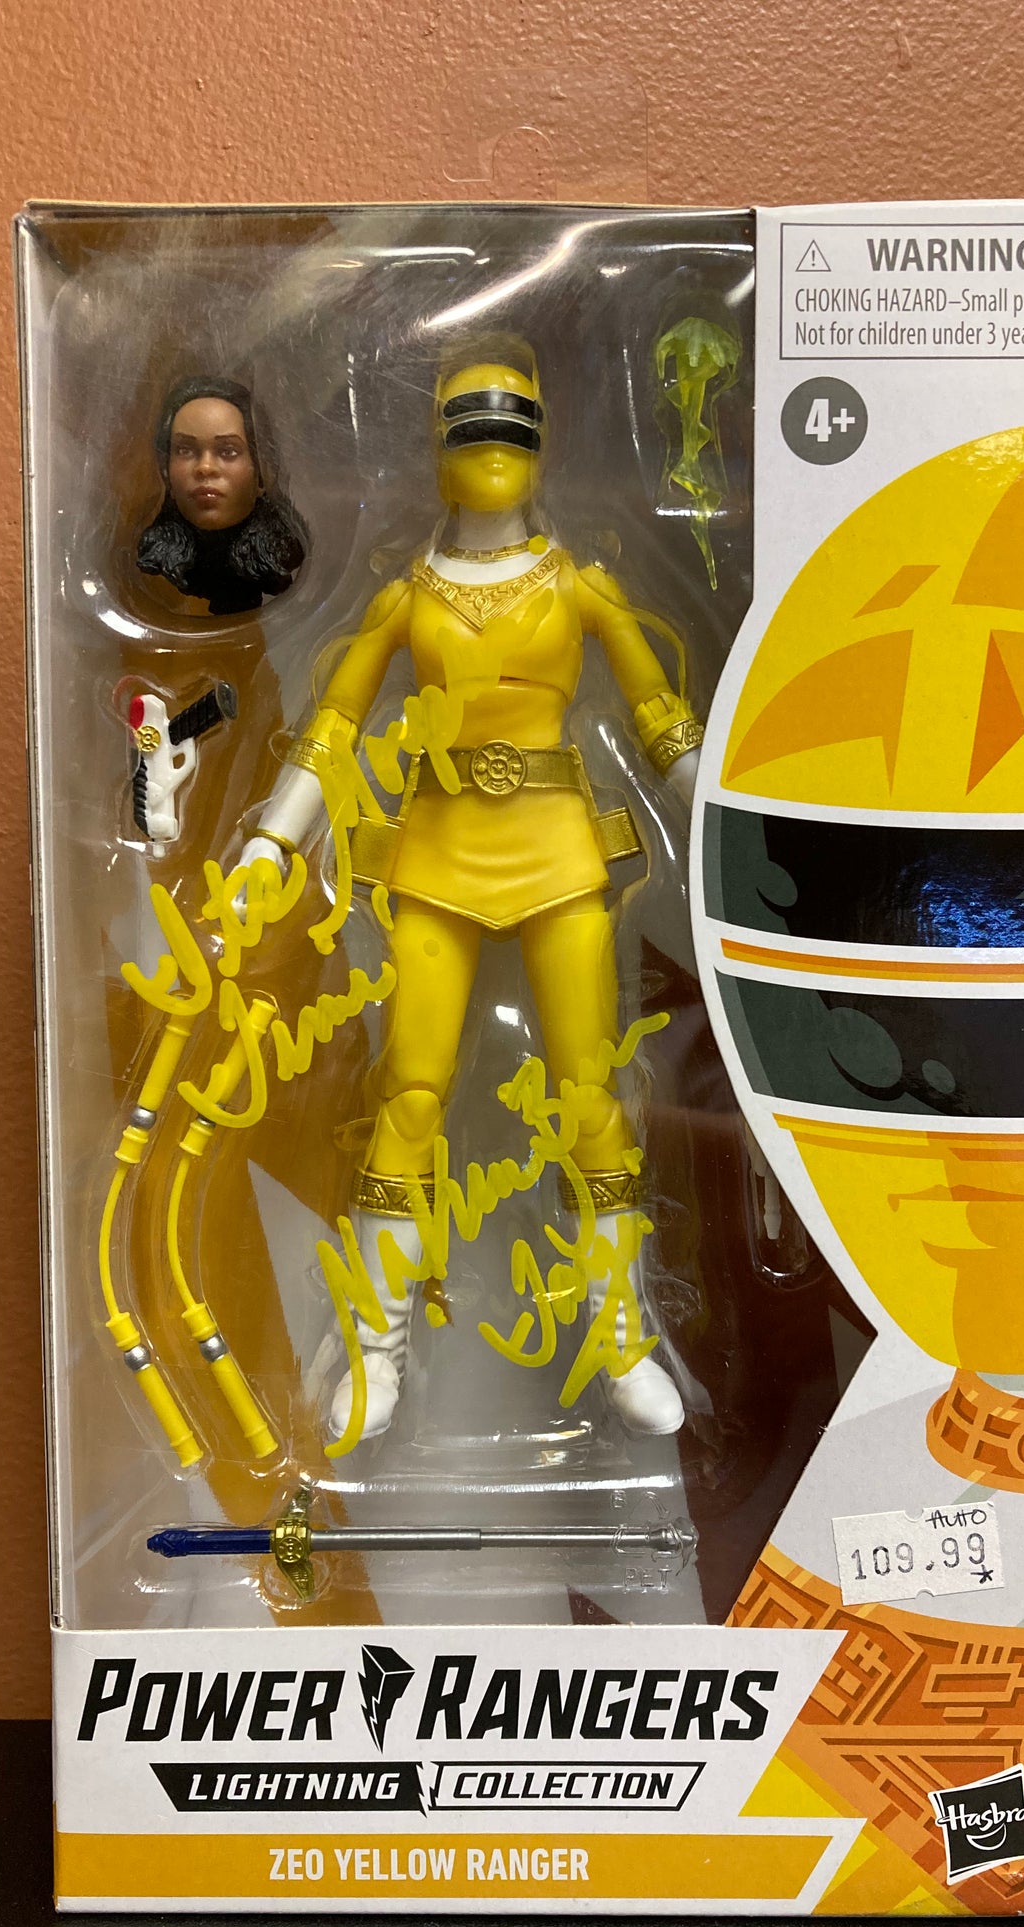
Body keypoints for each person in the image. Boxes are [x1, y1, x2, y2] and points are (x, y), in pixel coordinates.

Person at [240, 356, 704, 1443]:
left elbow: (660, 718)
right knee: (408, 1097)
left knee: (592, 1096)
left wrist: (732, 816)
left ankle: (619, 1332)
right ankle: (374, 1346)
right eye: (470, 428)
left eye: (512, 429)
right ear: (439, 448)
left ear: (539, 447)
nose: (492, 449)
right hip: (438, 855)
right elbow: (333, 728)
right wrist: (270, 837)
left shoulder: (580, 584)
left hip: (557, 852)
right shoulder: (407, 597)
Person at [136, 375, 306, 614]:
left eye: (228, 451)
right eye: (185, 450)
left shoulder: (286, 551)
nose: (205, 467)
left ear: (259, 471)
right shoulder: (154, 563)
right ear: (166, 470)